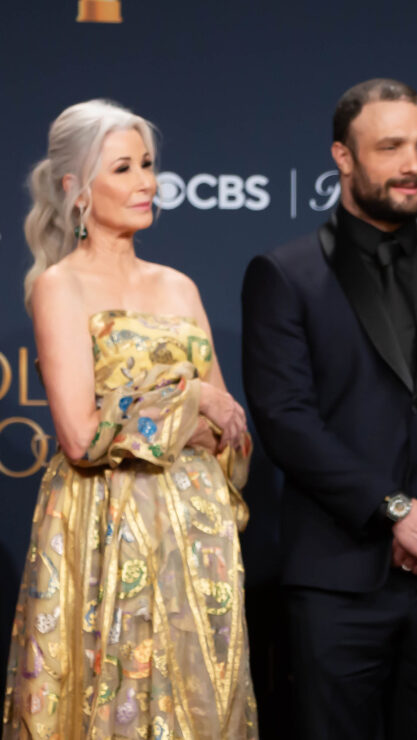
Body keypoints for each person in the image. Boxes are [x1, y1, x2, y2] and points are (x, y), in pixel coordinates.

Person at [241, 79, 417, 739]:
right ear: (343, 155)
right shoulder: (285, 274)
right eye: (389, 147)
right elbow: (285, 419)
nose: (412, 164)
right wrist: (397, 513)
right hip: (337, 577)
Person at [2, 100, 256, 738]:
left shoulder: (179, 287)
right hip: (106, 526)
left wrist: (197, 411)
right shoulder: (61, 287)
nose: (146, 181)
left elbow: (232, 428)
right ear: (76, 189)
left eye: (148, 164)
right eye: (123, 167)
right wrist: (187, 400)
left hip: (199, 538)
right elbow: (81, 438)